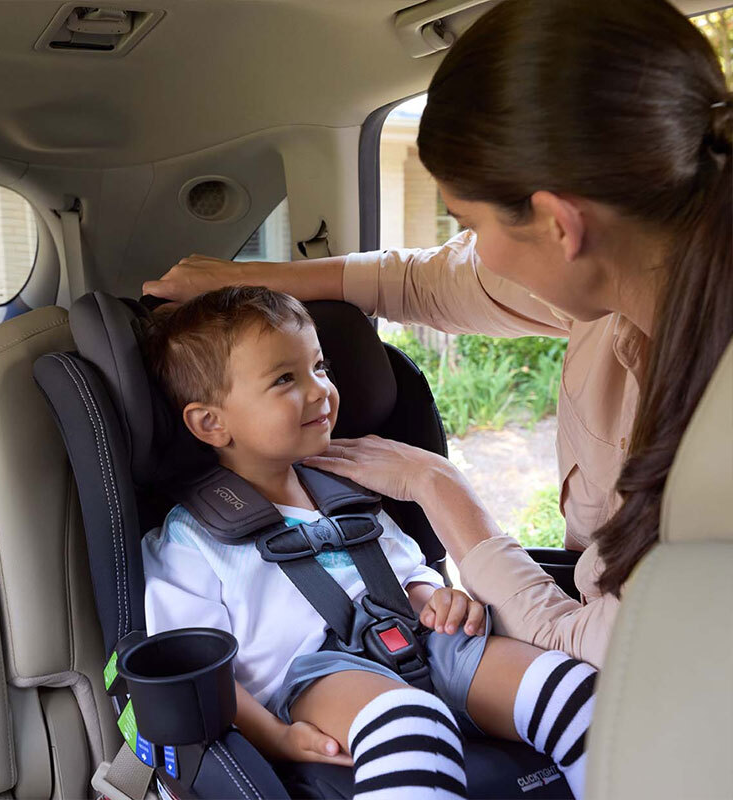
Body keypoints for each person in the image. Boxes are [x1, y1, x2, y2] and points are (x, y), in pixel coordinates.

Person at [143, 0, 733, 670]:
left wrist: (437, 487)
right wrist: (244, 278)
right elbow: (422, 283)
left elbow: (613, 655)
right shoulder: (626, 276)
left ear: (560, 226)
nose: (473, 252)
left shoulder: (715, 438)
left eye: (470, 226)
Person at [141, 286, 597, 800]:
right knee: (412, 728)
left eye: (320, 367)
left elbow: (409, 575)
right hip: (314, 677)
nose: (320, 391)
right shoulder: (189, 539)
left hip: (427, 644)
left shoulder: (350, 494)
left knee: (576, 692)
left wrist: (435, 600)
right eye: (285, 379)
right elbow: (202, 673)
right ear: (211, 422)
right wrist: (276, 738)